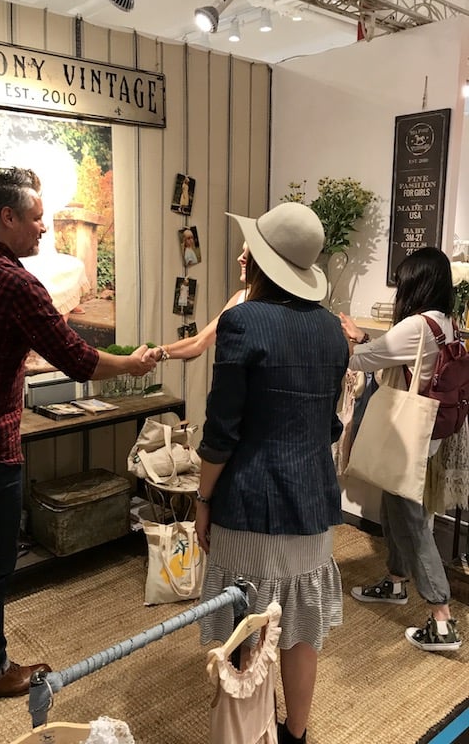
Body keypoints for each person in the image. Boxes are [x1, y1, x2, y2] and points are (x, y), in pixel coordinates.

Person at [0, 167, 155, 704]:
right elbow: (80, 360)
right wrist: (132, 363)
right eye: (38, 217)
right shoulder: (16, 284)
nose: (45, 227)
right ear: (8, 216)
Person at [194, 202, 349, 744]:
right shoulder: (333, 331)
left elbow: (221, 433)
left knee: (246, 623)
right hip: (312, 501)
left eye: (250, 249)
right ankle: (295, 734)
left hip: (251, 502)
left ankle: (247, 732)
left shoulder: (242, 321)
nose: (242, 256)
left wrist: (202, 499)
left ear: (264, 262)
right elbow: (330, 424)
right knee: (301, 626)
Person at [340, 246, 462, 653]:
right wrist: (363, 339)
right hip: (426, 434)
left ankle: (442, 619)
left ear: (416, 284)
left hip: (408, 438)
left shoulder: (416, 325)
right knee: (394, 505)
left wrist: (342, 342)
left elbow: (364, 361)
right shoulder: (445, 323)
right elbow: (394, 354)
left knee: (412, 521)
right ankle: (395, 582)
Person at [152, 244, 248, 363]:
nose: (240, 258)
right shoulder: (240, 297)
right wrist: (160, 351)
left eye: (249, 253)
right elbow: (199, 342)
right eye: (242, 251)